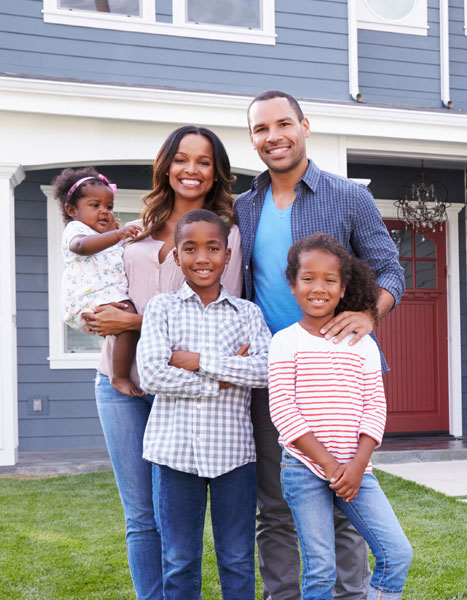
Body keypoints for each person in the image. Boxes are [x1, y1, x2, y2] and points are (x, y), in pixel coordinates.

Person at [234, 90, 405, 600]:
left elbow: (390, 268)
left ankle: (349, 595)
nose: (274, 137)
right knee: (276, 505)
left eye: (283, 124)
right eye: (262, 129)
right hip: (275, 375)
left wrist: (369, 314)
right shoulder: (245, 205)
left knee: (345, 505)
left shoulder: (347, 196)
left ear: (304, 125)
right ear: (253, 139)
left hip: (338, 376)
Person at [83, 126, 243, 600]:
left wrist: (129, 322)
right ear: (166, 165)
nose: (190, 170)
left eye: (204, 161)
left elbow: (214, 320)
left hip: (178, 385)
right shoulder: (138, 224)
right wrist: (97, 312)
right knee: (139, 516)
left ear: (216, 172)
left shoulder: (221, 235)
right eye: (181, 159)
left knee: (175, 518)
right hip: (115, 382)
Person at [268, 233, 412, 600]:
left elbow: (374, 407)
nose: (319, 287)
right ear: (292, 284)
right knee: (320, 568)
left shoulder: (361, 342)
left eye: (330, 280)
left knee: (396, 553)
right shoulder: (285, 342)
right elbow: (284, 411)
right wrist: (332, 468)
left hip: (357, 469)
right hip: (304, 468)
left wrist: (357, 465)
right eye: (308, 278)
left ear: (344, 288)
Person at [137, 209, 270, 600]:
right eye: (190, 248)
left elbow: (263, 371)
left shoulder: (248, 313)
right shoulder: (162, 308)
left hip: (234, 455)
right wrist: (226, 377)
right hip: (174, 453)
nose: (202, 258)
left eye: (213, 248)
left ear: (228, 255)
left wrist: (197, 361)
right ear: (176, 256)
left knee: (237, 558)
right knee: (179, 560)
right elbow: (152, 375)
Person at [54, 167, 143, 397]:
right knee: (128, 321)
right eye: (95, 206)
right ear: (72, 210)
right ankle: (118, 376)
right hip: (89, 297)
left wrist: (113, 235)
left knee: (126, 323)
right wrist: (116, 235)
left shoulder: (105, 234)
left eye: (109, 207)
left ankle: (120, 372)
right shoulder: (76, 230)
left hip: (107, 294)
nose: (104, 212)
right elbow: (82, 247)